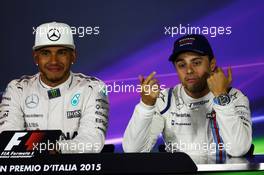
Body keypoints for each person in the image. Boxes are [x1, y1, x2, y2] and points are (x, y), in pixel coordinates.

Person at [123, 34, 252, 159]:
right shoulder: (164, 99)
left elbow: (238, 149)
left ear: (212, 64)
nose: (189, 71)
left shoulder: (234, 97)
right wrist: (146, 106)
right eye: (182, 65)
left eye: (196, 63)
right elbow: (133, 151)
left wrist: (221, 97)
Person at [0, 22, 109, 153]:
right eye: (46, 53)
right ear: (36, 58)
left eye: (61, 52)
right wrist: (44, 147)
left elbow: (93, 141)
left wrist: (56, 148)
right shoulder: (17, 89)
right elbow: (7, 139)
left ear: (73, 56)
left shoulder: (93, 88)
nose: (53, 61)